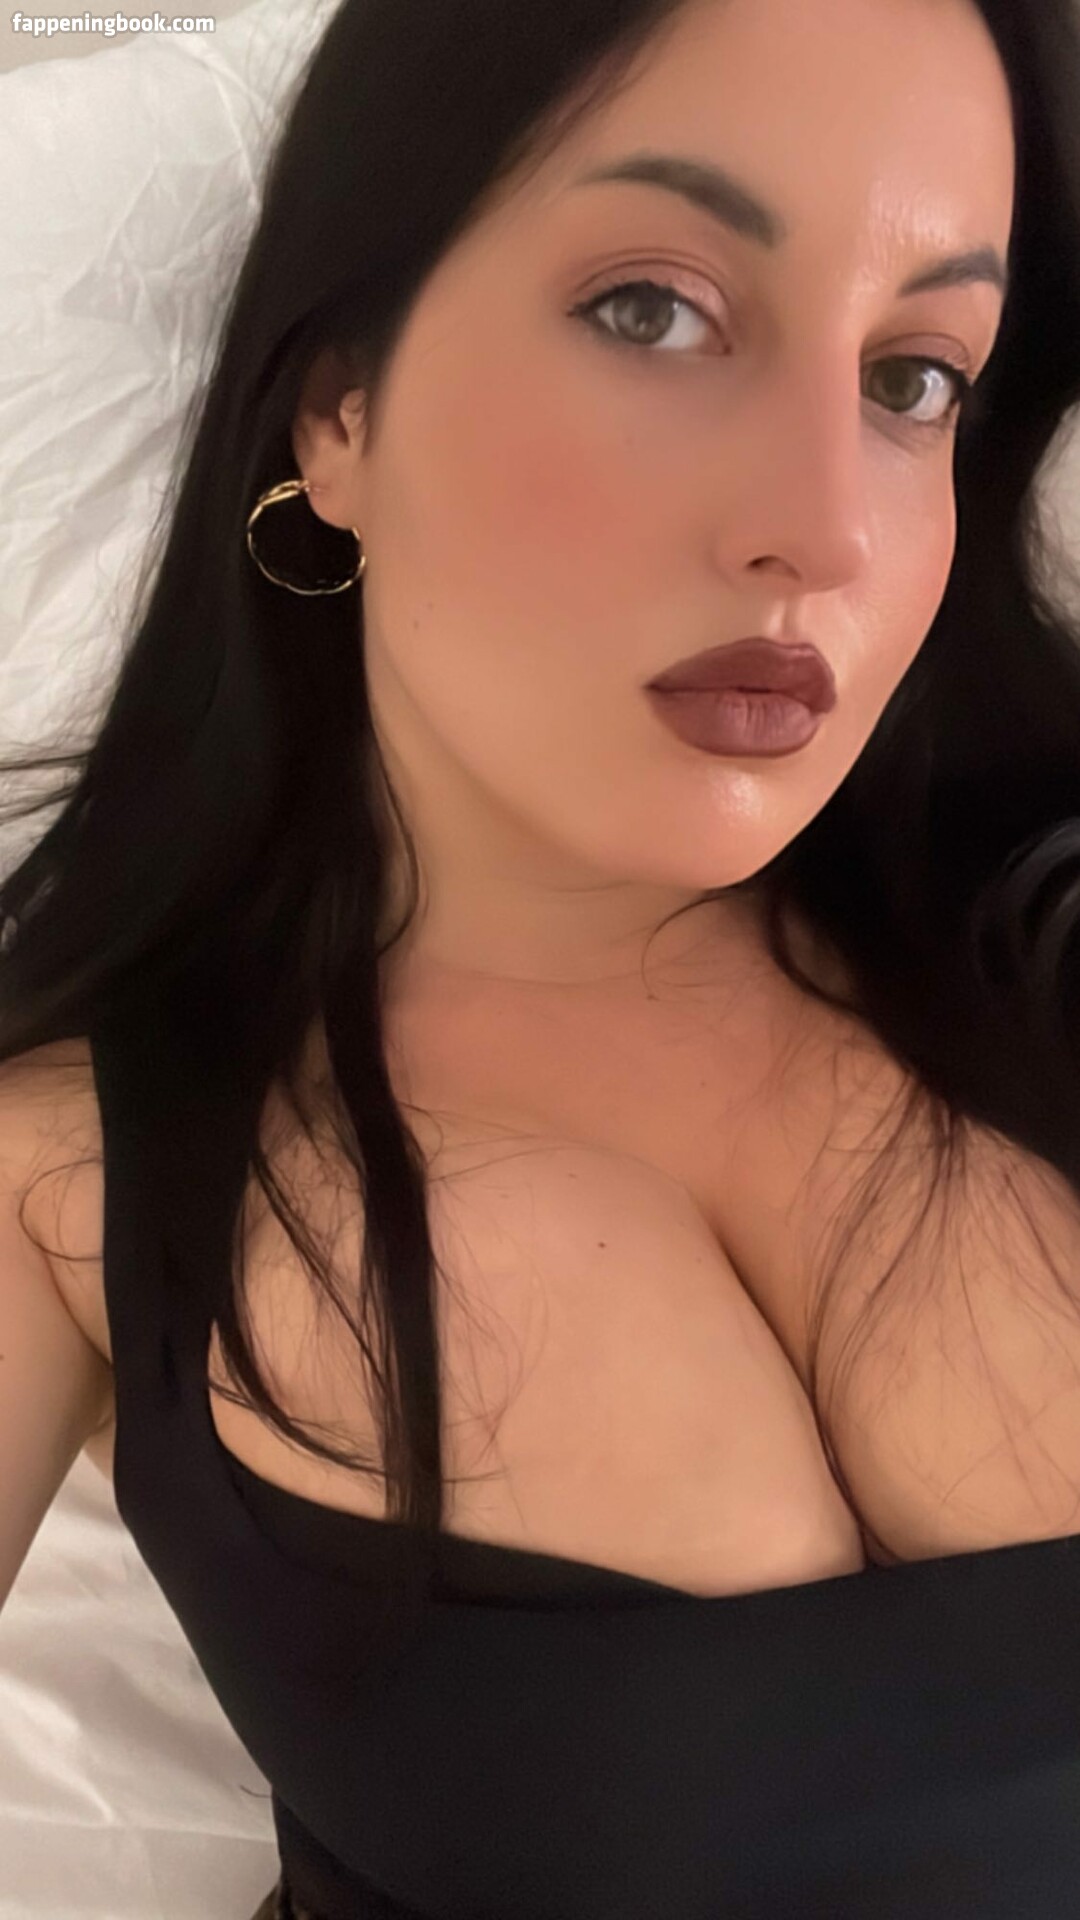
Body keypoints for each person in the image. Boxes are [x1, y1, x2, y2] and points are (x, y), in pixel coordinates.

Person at [3, 0, 1080, 1911]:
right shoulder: (69, 1175)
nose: (822, 529)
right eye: (654, 311)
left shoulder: (1041, 932)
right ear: (339, 410)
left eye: (916, 378)